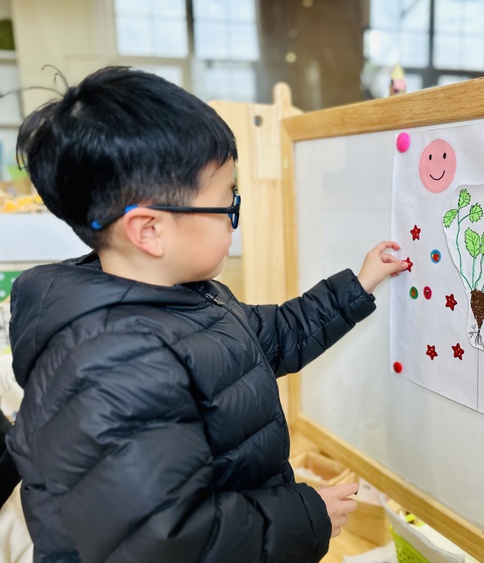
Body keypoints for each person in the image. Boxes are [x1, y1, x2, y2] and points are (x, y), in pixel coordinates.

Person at [6, 66, 406, 562]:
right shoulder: (113, 365)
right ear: (149, 230)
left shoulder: (184, 297)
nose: (234, 219)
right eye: (227, 205)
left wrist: (358, 285)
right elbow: (171, 541)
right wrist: (307, 514)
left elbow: (276, 334)